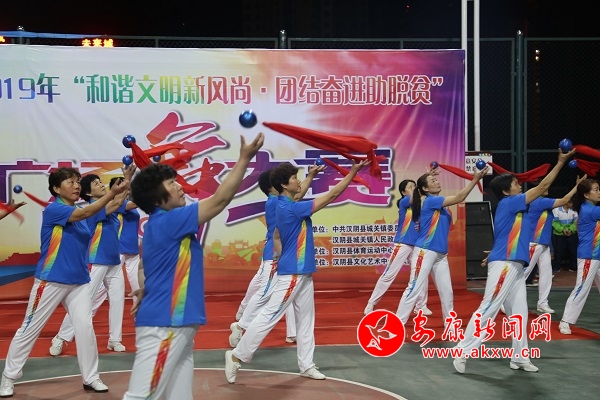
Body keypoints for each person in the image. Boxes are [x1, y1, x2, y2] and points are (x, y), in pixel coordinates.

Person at [122, 132, 264, 400]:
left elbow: (146, 267)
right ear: (157, 198)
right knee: (141, 397)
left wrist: (148, 289)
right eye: (171, 183)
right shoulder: (169, 220)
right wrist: (244, 159)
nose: (179, 187)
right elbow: (220, 200)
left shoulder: (159, 225)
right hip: (166, 325)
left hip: (178, 325)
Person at [225, 159, 369, 384]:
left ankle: (306, 365)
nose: (298, 181)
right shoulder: (291, 208)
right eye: (294, 178)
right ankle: (236, 355)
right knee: (269, 315)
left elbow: (277, 234)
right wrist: (352, 173)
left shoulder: (286, 205)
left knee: (306, 321)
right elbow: (332, 195)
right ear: (284, 185)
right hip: (293, 272)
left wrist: (283, 252)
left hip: (302, 272)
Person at [0, 167, 129, 398]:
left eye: (77, 181)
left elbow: (113, 205)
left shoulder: (84, 214)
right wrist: (111, 193)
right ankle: (8, 377)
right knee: (30, 329)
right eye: (70, 182)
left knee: (85, 328)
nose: (76, 185)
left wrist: (127, 179)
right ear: (57, 189)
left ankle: (91, 377)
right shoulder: (54, 210)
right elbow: (87, 211)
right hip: (50, 280)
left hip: (79, 282)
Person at [452, 148, 574, 374]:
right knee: (489, 307)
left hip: (516, 266)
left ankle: (519, 357)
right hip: (505, 264)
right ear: (507, 191)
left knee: (519, 314)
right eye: (516, 184)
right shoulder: (510, 203)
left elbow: (505, 234)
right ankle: (462, 349)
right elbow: (542, 187)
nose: (520, 185)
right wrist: (560, 163)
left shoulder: (520, 207)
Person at [230, 165, 325, 347]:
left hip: (283, 254)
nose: (295, 182)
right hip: (275, 254)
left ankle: (292, 333)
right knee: (265, 293)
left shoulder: (280, 201)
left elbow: (297, 195)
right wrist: (311, 176)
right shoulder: (275, 202)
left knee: (288, 294)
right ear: (273, 187)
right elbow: (297, 196)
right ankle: (241, 325)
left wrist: (311, 176)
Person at [49, 168, 134, 356]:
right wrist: (126, 180)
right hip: (96, 260)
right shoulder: (92, 210)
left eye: (100, 182)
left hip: (113, 261)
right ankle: (61, 337)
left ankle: (114, 339)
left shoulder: (109, 206)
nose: (101, 185)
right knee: (86, 302)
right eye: (96, 184)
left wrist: (127, 179)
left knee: (118, 300)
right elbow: (117, 201)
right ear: (88, 193)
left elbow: (120, 200)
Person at [396, 166, 488, 326]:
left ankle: (450, 326)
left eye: (436, 180)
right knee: (414, 288)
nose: (437, 182)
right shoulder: (431, 201)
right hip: (425, 251)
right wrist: (475, 179)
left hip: (440, 254)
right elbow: (460, 197)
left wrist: (427, 174)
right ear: (425, 189)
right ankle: (396, 325)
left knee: (447, 292)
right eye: (433, 181)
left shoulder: (439, 204)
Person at [364, 179, 431, 316]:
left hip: (418, 245)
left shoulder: (421, 205)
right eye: (410, 187)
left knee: (420, 275)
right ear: (403, 192)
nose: (414, 189)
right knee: (389, 274)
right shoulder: (404, 202)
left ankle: (421, 306)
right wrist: (420, 188)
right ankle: (371, 303)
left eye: (415, 186)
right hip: (403, 243)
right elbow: (414, 198)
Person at [523, 177, 584, 313]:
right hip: (534, 242)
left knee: (546, 273)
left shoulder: (540, 201)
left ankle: (542, 303)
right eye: (544, 186)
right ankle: (505, 300)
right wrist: (577, 186)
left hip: (543, 244)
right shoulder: (540, 201)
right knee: (523, 274)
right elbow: (565, 200)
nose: (547, 188)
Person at [558, 178, 600, 335]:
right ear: (586, 195)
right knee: (581, 288)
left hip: (597, 255)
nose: (599, 192)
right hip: (589, 256)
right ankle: (565, 321)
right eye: (596, 189)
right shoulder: (590, 210)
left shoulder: (586, 207)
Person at [94, 177, 142, 306]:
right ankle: (88, 310)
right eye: (124, 187)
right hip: (118, 249)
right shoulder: (115, 204)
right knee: (103, 288)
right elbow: (137, 203)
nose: (127, 190)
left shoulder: (129, 204)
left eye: (128, 188)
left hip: (133, 250)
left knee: (138, 285)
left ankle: (141, 314)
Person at [552, 200, 579, 273]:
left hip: (571, 233)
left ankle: (573, 267)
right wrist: (562, 230)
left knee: (573, 250)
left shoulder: (574, 210)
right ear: (567, 202)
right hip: (558, 234)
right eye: (572, 202)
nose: (574, 204)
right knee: (558, 251)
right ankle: (557, 267)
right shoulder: (556, 210)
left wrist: (570, 229)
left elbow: (576, 222)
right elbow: (554, 222)